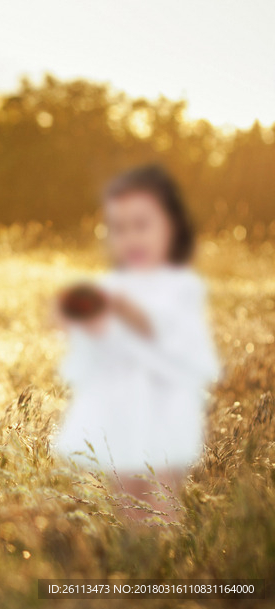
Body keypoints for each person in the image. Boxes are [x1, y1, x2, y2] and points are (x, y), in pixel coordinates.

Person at [53, 165, 220, 521]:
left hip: (162, 404)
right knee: (125, 488)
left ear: (172, 228)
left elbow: (164, 334)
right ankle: (133, 552)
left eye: (142, 226)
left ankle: (163, 553)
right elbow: (95, 346)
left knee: (161, 489)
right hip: (118, 405)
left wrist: (125, 310)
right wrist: (76, 318)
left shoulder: (180, 286)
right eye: (118, 229)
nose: (130, 238)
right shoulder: (110, 286)